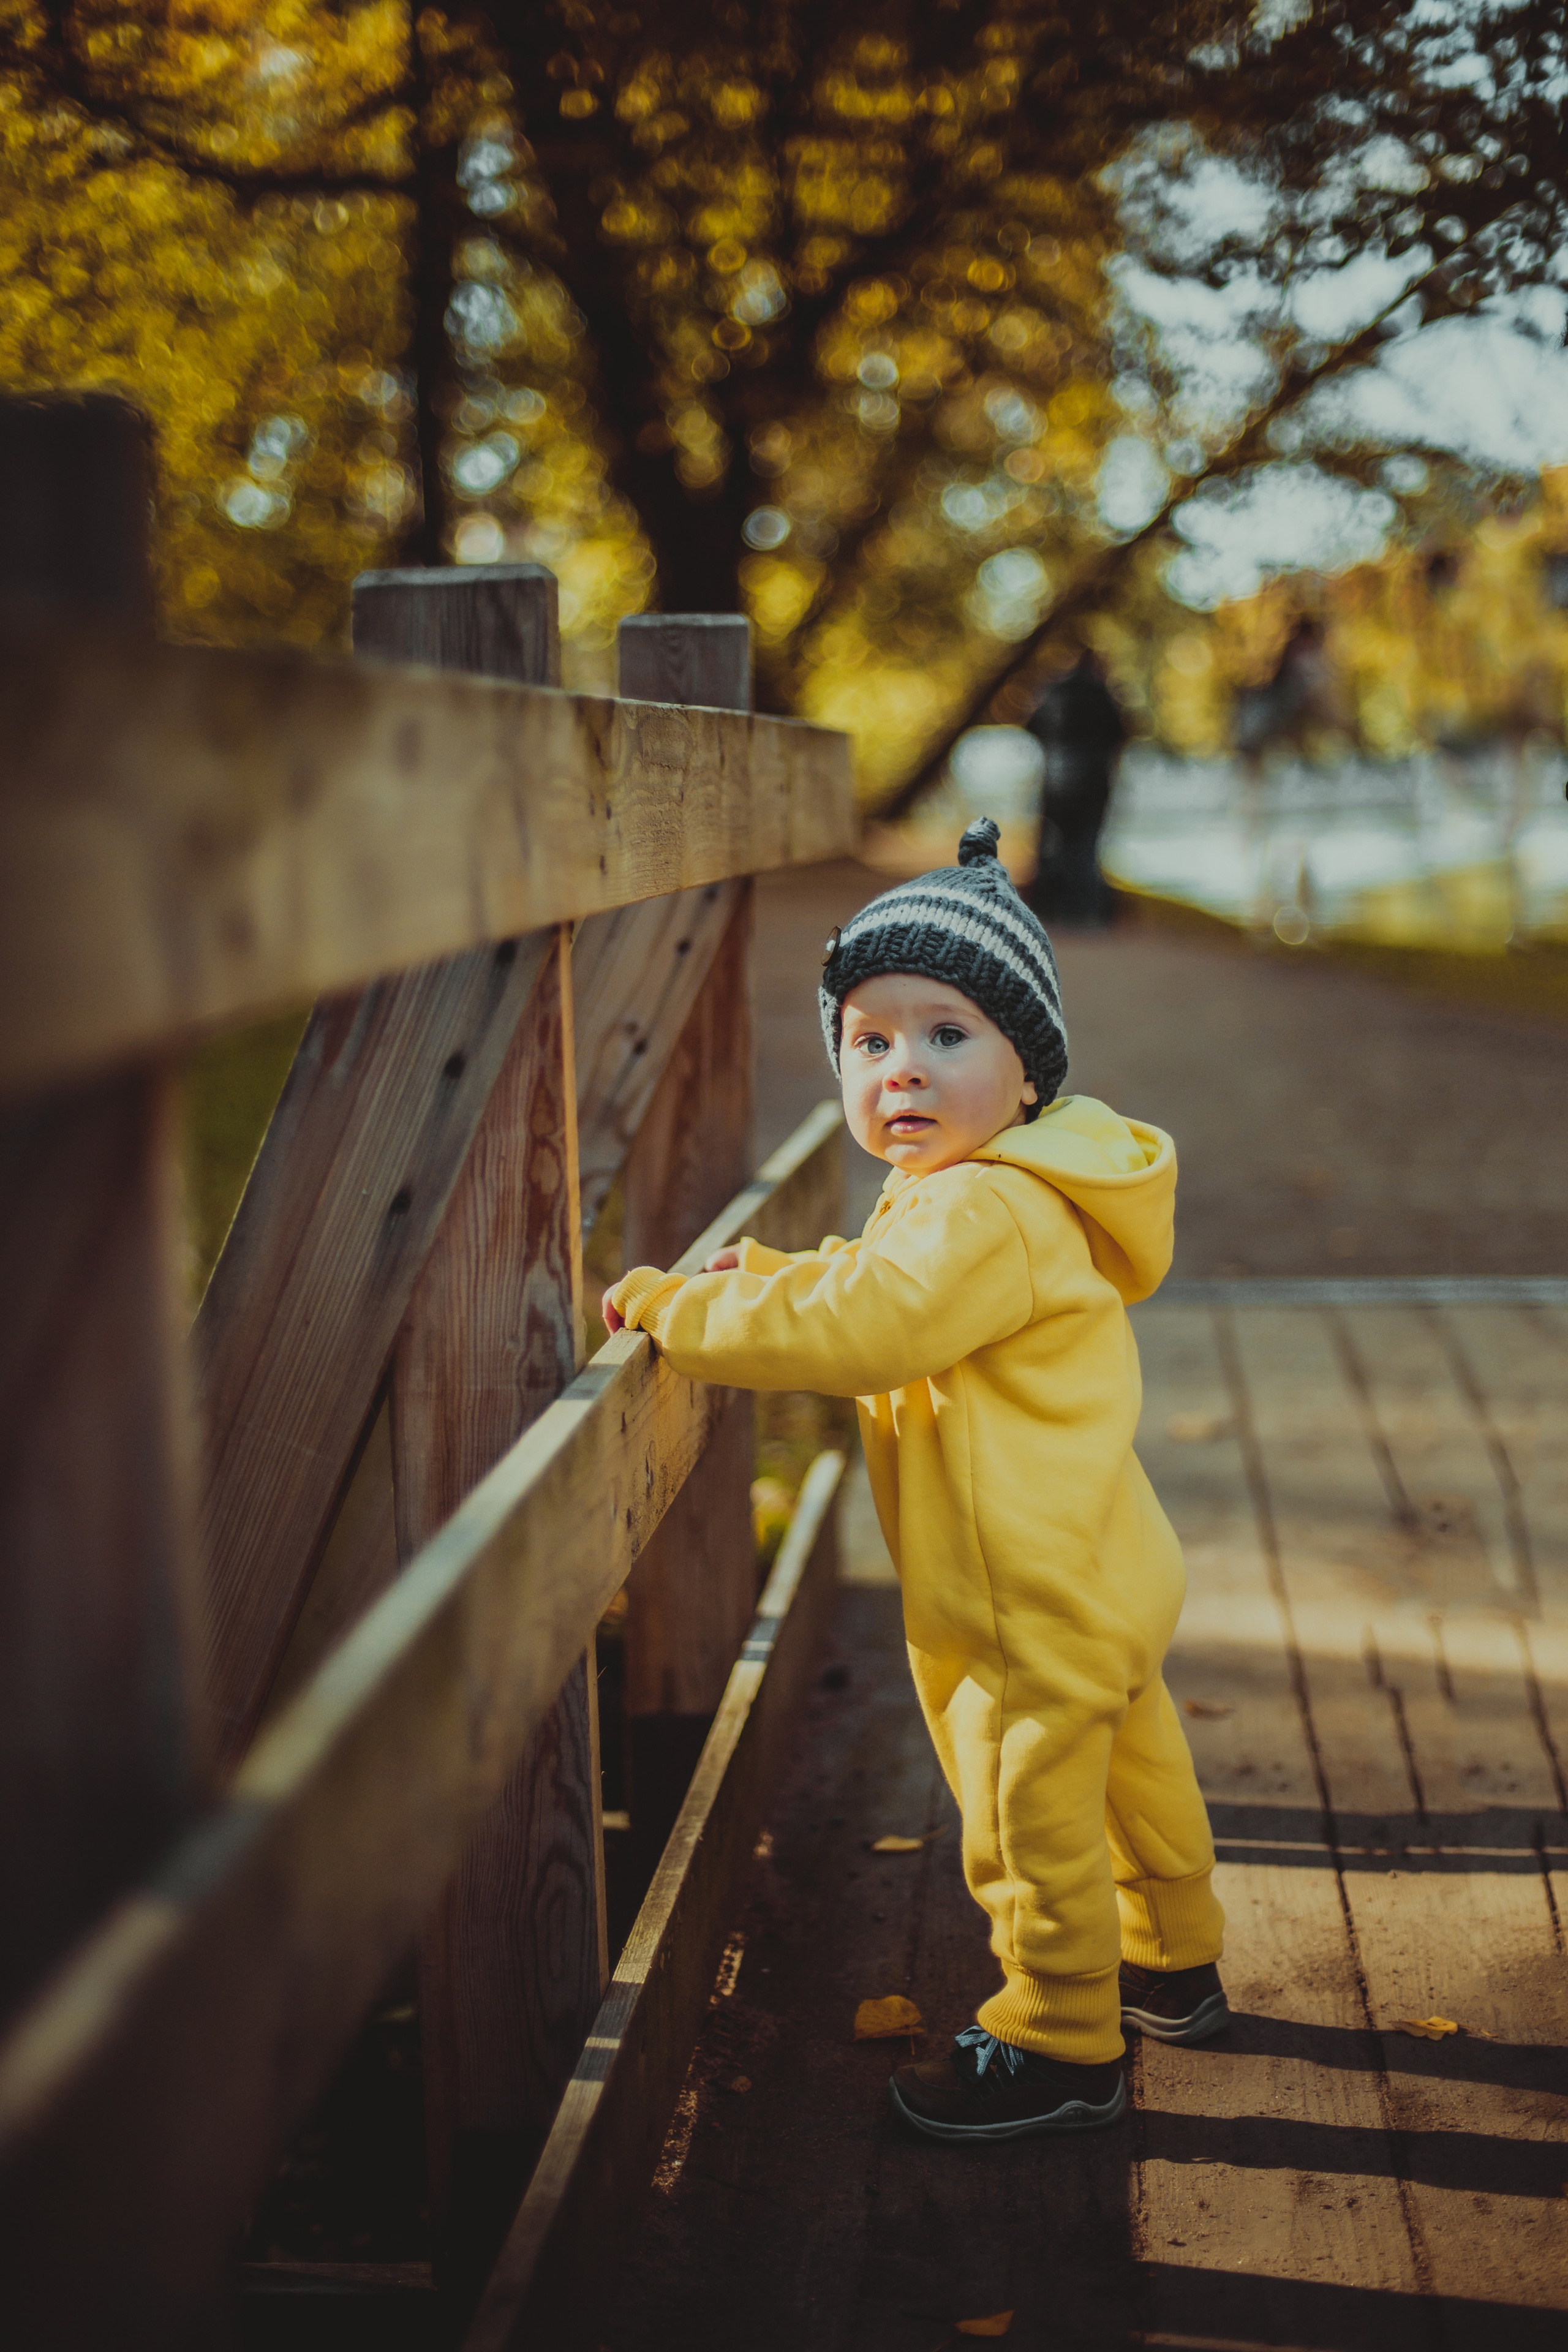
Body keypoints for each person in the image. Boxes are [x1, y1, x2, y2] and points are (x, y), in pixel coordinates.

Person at [602, 820, 1226, 2142]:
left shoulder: (974, 1210)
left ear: (1025, 1066)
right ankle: (1171, 1964)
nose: (902, 1071)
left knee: (1022, 1819)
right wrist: (771, 1276)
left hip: (1014, 1598)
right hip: (1102, 1565)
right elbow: (873, 1288)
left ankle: (1059, 2039)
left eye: (946, 1035)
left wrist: (679, 1309)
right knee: (1132, 1774)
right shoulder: (999, 1187)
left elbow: (869, 1328)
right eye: (868, 1041)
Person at [1023, 647, 1127, 927]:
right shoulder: (1103, 697)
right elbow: (1121, 735)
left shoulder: (1054, 692)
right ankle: (1084, 910)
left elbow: (1032, 726)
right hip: (1093, 783)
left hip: (1056, 781)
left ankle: (1050, 906)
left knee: (1052, 845)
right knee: (1085, 846)